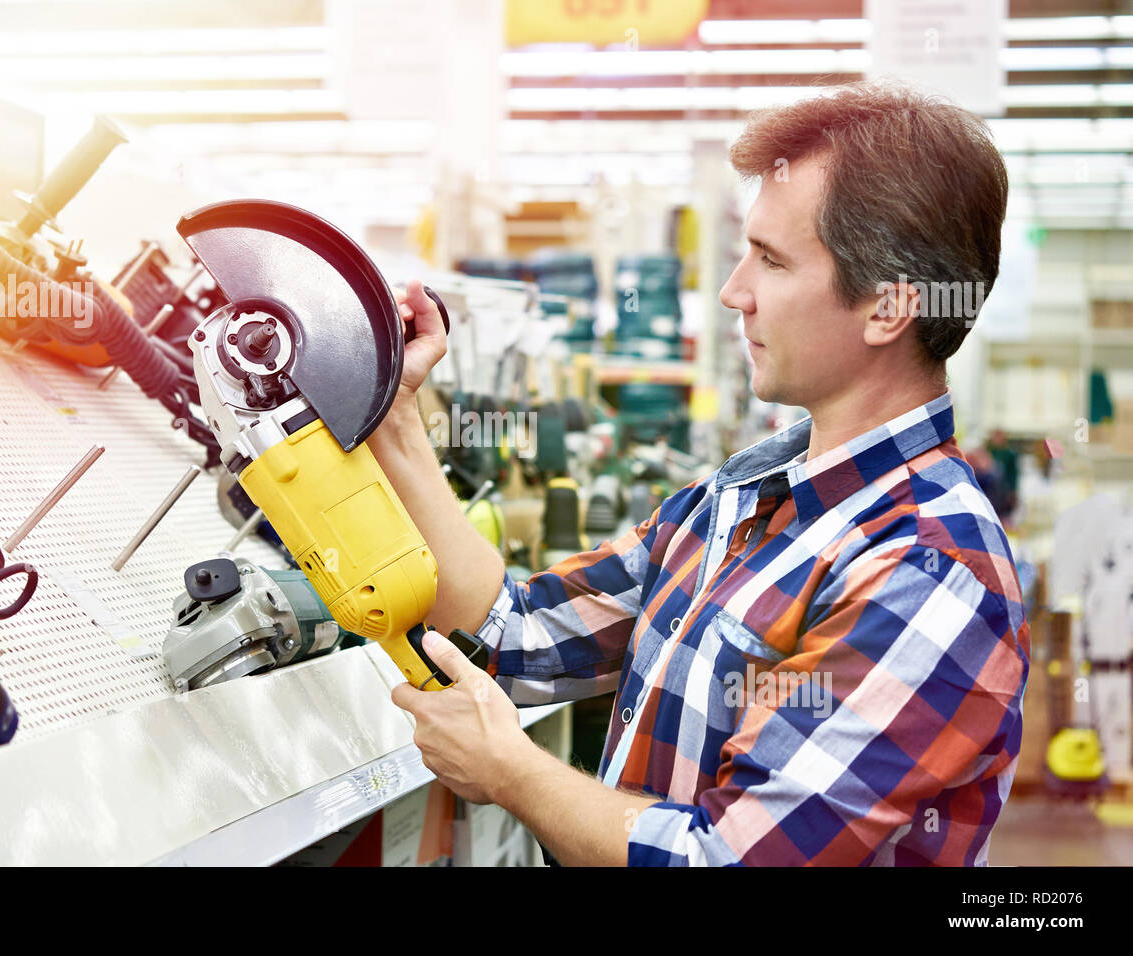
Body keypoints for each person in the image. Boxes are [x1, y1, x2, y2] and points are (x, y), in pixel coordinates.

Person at [371, 80, 1029, 866]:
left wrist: (509, 770)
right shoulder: (742, 496)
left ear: (888, 308)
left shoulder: (929, 567)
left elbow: (726, 859)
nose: (732, 292)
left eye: (772, 261)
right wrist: (397, 418)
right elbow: (519, 635)